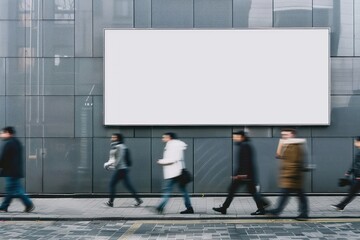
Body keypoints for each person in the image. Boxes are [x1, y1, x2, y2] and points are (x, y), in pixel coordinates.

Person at [213, 130, 269, 215]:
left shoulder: (244, 146)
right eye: (234, 137)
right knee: (246, 191)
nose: (234, 138)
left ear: (242, 137)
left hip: (245, 175)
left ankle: (262, 207)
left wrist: (241, 175)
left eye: (236, 137)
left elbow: (245, 162)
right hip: (246, 174)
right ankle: (262, 205)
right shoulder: (244, 145)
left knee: (238, 190)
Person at [267, 129, 309, 220]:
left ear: (292, 135)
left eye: (286, 134)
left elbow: (295, 162)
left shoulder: (295, 146)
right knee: (296, 195)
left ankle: (303, 213)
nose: (284, 136)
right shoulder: (287, 145)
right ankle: (302, 212)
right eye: (283, 134)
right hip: (290, 176)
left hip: (293, 176)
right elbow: (283, 158)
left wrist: (290, 174)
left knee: (292, 195)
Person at [155, 132, 194, 214]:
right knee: (183, 191)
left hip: (173, 173)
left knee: (167, 190)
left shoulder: (172, 146)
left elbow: (173, 159)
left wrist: (161, 161)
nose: (163, 139)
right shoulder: (177, 145)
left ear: (169, 137)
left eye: (164, 137)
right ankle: (189, 207)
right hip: (178, 171)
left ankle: (160, 207)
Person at [0, 126, 35, 213]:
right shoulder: (16, 142)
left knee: (14, 190)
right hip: (15, 171)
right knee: (13, 190)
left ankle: (28, 204)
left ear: (8, 133)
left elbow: (4, 158)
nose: (1, 135)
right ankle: (4, 206)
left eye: (2, 133)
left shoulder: (9, 143)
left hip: (10, 172)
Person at [103, 133, 143, 207]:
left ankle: (110, 202)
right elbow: (113, 158)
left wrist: (112, 166)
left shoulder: (120, 146)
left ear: (118, 138)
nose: (112, 138)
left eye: (114, 137)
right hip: (122, 169)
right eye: (112, 137)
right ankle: (139, 200)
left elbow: (119, 159)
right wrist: (109, 165)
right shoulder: (116, 146)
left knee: (112, 184)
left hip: (121, 169)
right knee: (128, 186)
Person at [331, 136, 360, 211]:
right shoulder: (358, 151)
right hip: (357, 177)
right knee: (351, 193)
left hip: (358, 178)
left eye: (356, 141)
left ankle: (340, 206)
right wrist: (348, 173)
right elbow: (354, 164)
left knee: (351, 193)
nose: (354, 143)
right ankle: (341, 206)